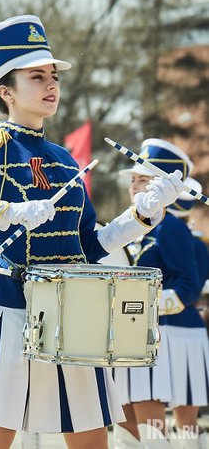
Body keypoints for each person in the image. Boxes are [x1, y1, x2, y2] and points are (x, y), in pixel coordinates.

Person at [0, 15, 185, 449]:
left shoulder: (63, 159)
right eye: (36, 76)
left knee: (92, 440)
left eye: (53, 76)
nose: (50, 85)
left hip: (71, 312)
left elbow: (89, 246)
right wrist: (5, 212)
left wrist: (142, 214)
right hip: (8, 310)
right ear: (6, 91)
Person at [113, 159, 208, 449]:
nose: (134, 187)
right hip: (128, 335)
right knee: (128, 426)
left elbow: (188, 286)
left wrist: (143, 306)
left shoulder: (169, 228)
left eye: (143, 180)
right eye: (134, 181)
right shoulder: (128, 225)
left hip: (161, 333)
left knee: (159, 424)